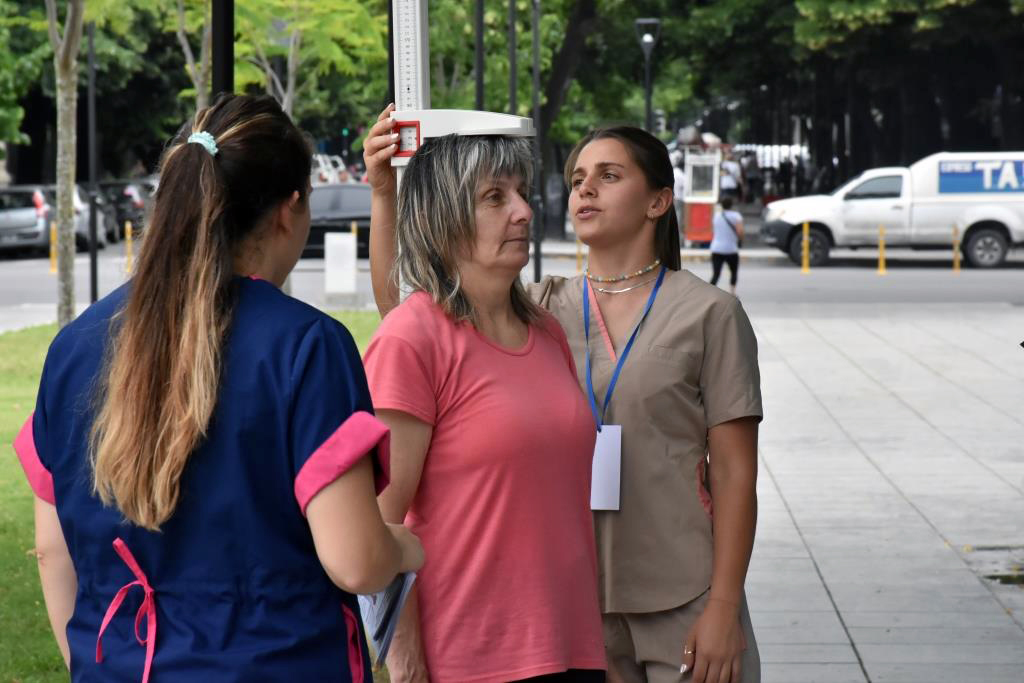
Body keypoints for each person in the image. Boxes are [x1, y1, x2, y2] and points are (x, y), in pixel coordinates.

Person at [12, 94, 423, 682]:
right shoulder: (307, 346)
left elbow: (54, 554)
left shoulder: (73, 348)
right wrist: (406, 548)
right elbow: (357, 561)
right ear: (291, 209)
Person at [366, 110, 762, 683]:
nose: (582, 191)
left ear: (658, 201)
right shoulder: (543, 308)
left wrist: (725, 604)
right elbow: (409, 313)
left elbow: (733, 474)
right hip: (563, 614)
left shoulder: (701, 313)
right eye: (577, 179)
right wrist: (385, 197)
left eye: (608, 176)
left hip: (668, 586)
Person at [362, 128, 606, 682]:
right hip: (467, 660)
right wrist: (405, 663)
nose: (523, 211)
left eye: (522, 192)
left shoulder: (545, 331)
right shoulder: (412, 338)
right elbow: (379, 524)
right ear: (441, 218)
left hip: (573, 648)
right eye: (494, 197)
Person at [710, 196, 744, 295]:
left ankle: (709, 293)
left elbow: (714, 230)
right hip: (731, 249)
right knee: (733, 272)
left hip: (717, 249)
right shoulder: (736, 216)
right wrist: (740, 240)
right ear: (731, 205)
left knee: (716, 274)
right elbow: (740, 231)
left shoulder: (716, 216)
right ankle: (732, 292)